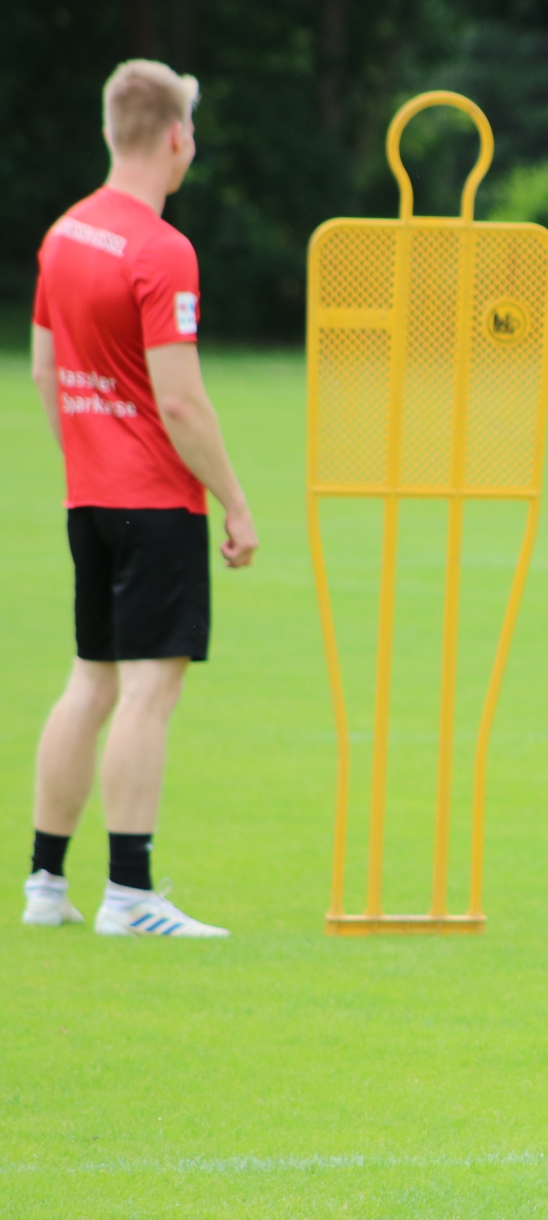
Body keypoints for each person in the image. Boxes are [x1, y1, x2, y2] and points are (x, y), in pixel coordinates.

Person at [21, 60, 256, 936]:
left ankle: (46, 884)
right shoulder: (162, 250)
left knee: (90, 681)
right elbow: (181, 402)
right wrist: (234, 500)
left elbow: (44, 370)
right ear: (177, 137)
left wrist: (87, 457)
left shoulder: (65, 234)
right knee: (148, 691)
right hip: (155, 503)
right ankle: (129, 894)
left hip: (90, 499)